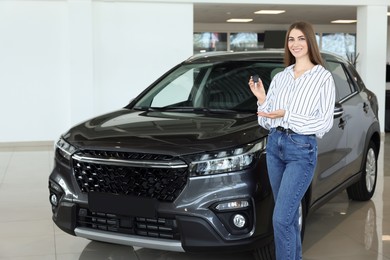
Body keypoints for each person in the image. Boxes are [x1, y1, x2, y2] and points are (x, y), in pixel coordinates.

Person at [248, 21, 336, 260]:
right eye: (291, 39)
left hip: (301, 149)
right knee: (289, 218)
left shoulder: (323, 78)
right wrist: (262, 99)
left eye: (300, 39)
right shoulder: (282, 77)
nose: (295, 44)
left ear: (310, 42)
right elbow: (267, 122)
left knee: (281, 218)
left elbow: (324, 124)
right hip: (275, 146)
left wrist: (287, 114)